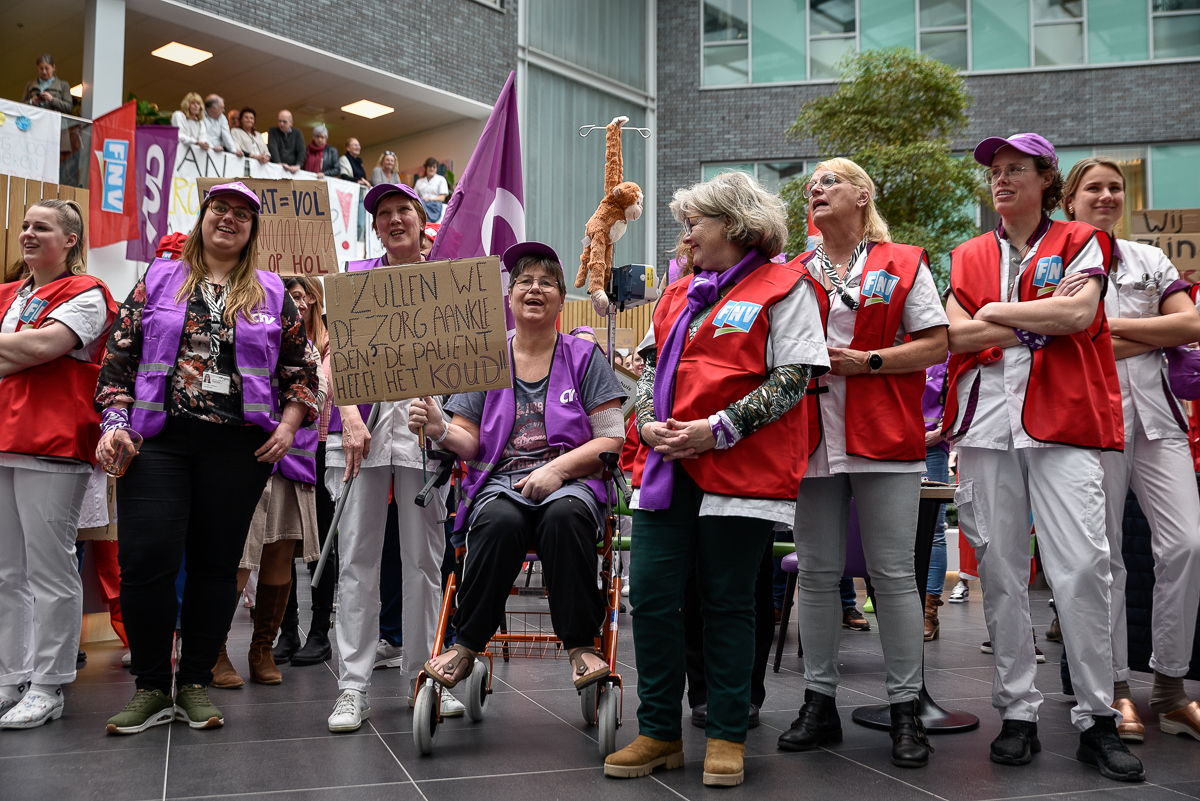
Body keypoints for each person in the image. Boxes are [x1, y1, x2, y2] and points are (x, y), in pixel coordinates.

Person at [604, 171, 828, 787]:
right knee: (650, 595)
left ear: (732, 224)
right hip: (667, 468)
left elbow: (792, 380)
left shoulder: (787, 286)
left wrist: (717, 429)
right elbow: (648, 369)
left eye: (693, 223)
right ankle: (658, 734)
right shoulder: (680, 292)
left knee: (727, 602)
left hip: (739, 469)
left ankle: (726, 736)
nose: (685, 237)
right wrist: (647, 423)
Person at [943, 132, 1143, 781]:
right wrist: (1036, 318)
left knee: (1084, 567)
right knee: (999, 570)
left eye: (1015, 170)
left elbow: (1081, 312)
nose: (1001, 180)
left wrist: (997, 311)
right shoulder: (966, 252)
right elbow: (953, 334)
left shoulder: (1083, 240)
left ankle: (1096, 716)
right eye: (996, 171)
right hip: (987, 424)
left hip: (1066, 420)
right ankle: (1019, 711)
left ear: (1045, 179)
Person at [95, 181, 318, 735]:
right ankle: (150, 687)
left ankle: (193, 681)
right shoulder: (160, 277)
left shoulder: (273, 293)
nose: (229, 219)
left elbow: (301, 370)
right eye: (220, 208)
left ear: (253, 230)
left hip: (238, 448)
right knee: (147, 560)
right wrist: (115, 424)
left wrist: (290, 425)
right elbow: (119, 356)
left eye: (242, 214)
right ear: (203, 218)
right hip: (158, 441)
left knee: (217, 567)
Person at [775, 158, 948, 769]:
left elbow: (935, 343)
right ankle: (818, 704)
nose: (815, 190)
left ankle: (906, 712)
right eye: (811, 186)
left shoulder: (904, 262)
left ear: (862, 195)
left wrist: (868, 361)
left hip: (885, 436)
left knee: (893, 576)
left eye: (830, 182)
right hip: (811, 438)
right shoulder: (789, 271)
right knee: (819, 574)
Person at [410, 241, 626, 694]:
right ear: (509, 297)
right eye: (525, 281)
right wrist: (437, 428)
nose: (534, 289)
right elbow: (468, 440)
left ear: (562, 299)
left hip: (572, 485)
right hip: (500, 483)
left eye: (546, 282)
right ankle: (467, 644)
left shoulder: (586, 358)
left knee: (565, 516)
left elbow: (612, 436)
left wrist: (559, 471)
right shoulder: (484, 355)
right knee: (497, 521)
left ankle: (581, 646)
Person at [1064, 156, 1200, 743]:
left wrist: (1111, 331)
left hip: (1159, 420)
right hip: (1093, 421)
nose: (1106, 196)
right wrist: (1148, 333)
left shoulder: (1149, 259)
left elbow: (1190, 325)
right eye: (1093, 187)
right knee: (1106, 557)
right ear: (1070, 200)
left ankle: (1170, 688)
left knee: (1188, 544)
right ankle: (1117, 687)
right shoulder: (1058, 261)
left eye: (1115, 188)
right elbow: (1068, 336)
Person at [323, 183, 458, 733]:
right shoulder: (355, 280)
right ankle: (352, 687)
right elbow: (332, 359)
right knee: (356, 560)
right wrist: (350, 417)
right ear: (374, 226)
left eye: (404, 210)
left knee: (424, 563)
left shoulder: (450, 284)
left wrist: (447, 419)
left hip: (426, 438)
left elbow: (470, 360)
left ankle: (422, 677)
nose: (394, 219)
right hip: (363, 435)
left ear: (423, 221)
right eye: (384, 213)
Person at [0, 200, 118, 729]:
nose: (27, 234)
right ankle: (10, 675)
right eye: (24, 226)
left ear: (69, 240)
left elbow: (48, 346)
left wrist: (26, 349)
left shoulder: (86, 291)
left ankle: (48, 685)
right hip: (4, 438)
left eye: (40, 227)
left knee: (49, 569)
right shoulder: (7, 295)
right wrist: (21, 348)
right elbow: (24, 350)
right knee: (6, 572)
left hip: (53, 442)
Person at [210, 277, 327, 688]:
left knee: (280, 553)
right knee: (239, 558)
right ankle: (216, 650)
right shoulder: (229, 330)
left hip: (291, 456)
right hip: (244, 452)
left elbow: (315, 387)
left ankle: (262, 647)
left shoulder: (304, 346)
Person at [275, 276, 339, 668]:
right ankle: (286, 632)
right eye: (287, 298)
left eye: (299, 296)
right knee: (280, 543)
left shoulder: (332, 345)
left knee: (320, 545)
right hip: (283, 449)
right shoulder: (276, 340)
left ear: (314, 300)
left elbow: (324, 392)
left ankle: (318, 633)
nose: (294, 304)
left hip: (317, 449)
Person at [923, 353, 951, 640]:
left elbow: (961, 394)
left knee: (935, 531)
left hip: (932, 447)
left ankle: (929, 610)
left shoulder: (948, 353)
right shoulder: (895, 341)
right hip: (895, 445)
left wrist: (941, 433)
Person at [415, 158, 449, 223]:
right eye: (430, 166)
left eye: (434, 167)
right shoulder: (419, 181)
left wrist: (430, 199)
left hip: (435, 206)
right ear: (426, 168)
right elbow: (414, 195)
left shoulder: (441, 179)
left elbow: (442, 198)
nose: (432, 169)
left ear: (436, 169)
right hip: (422, 205)